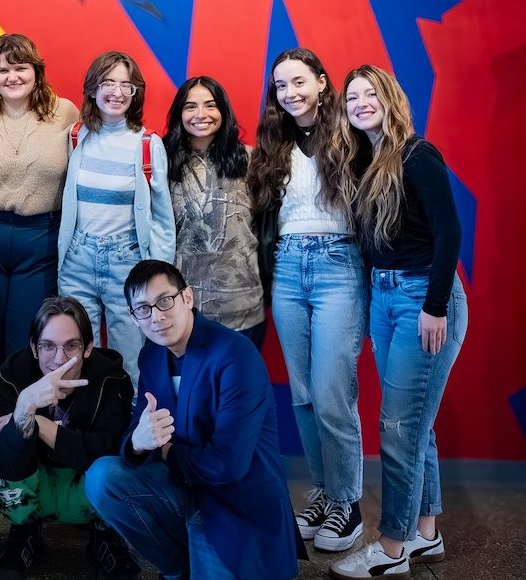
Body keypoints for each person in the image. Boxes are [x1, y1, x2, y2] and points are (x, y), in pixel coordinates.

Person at [325, 66, 468, 580]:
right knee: (415, 424)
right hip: (386, 299)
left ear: (390, 98)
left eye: (370, 94)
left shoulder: (417, 154)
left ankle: (391, 547)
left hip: (422, 299)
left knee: (399, 427)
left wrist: (433, 306)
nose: (361, 102)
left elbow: (448, 233)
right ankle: (426, 534)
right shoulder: (365, 162)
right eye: (353, 97)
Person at [85, 260, 298, 580]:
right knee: (102, 477)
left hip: (236, 501)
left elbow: (228, 465)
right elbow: (140, 427)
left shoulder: (234, 354)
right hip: (187, 488)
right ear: (133, 317)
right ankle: (176, 567)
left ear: (187, 298)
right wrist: (138, 443)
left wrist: (168, 451)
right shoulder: (152, 356)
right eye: (142, 308)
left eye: (164, 300)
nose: (156, 316)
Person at [247, 47, 368, 551]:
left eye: (300, 81)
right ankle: (322, 490)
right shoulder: (273, 143)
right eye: (281, 85)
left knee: (332, 390)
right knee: (302, 392)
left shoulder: (350, 135)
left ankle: (348, 503)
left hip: (340, 264)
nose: (290, 93)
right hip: (289, 270)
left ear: (322, 82)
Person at [0, 33, 79, 422]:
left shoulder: (65, 114)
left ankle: (20, 434)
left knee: (25, 347)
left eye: (21, 67)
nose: (12, 76)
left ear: (37, 71)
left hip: (40, 239)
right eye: (3, 69)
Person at [0, 296, 138, 579]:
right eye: (47, 346)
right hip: (34, 487)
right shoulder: (10, 377)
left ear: (89, 347)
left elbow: (110, 452)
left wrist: (39, 423)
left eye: (71, 346)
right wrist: (23, 409)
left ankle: (106, 533)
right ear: (33, 347)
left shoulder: (112, 379)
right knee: (4, 453)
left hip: (85, 490)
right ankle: (25, 530)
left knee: (117, 469)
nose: (59, 359)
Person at [58, 51, 175, 390]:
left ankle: (132, 436)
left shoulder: (148, 145)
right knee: (74, 357)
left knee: (130, 361)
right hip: (77, 258)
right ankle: (84, 433)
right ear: (93, 89)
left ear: (136, 93)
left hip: (127, 263)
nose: (117, 92)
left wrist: (158, 273)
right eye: (108, 82)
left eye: (127, 84)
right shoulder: (76, 136)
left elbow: (163, 218)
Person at [163, 76, 265, 348]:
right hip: (182, 310)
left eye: (210, 105)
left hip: (243, 306)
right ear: (178, 113)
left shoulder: (251, 160)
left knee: (239, 388)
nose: (201, 114)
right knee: (191, 389)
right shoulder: (162, 163)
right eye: (190, 106)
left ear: (223, 110)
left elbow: (266, 226)